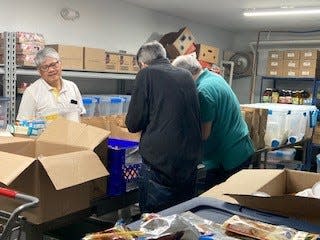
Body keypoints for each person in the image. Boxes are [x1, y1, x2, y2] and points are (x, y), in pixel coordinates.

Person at [125, 41, 202, 213]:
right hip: (189, 164)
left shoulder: (146, 74)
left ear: (142, 64)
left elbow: (133, 123)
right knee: (182, 220)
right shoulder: (186, 75)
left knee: (155, 224)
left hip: (160, 166)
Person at [172, 54, 255, 191]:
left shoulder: (202, 92)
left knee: (220, 202)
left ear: (184, 75)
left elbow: (204, 134)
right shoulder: (215, 78)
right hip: (240, 148)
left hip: (228, 156)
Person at [17, 47, 85, 122]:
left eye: (53, 65)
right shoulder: (31, 92)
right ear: (39, 71)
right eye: (45, 67)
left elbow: (81, 114)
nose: (51, 70)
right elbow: (22, 123)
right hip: (45, 133)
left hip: (73, 132)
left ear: (60, 64)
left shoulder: (72, 87)